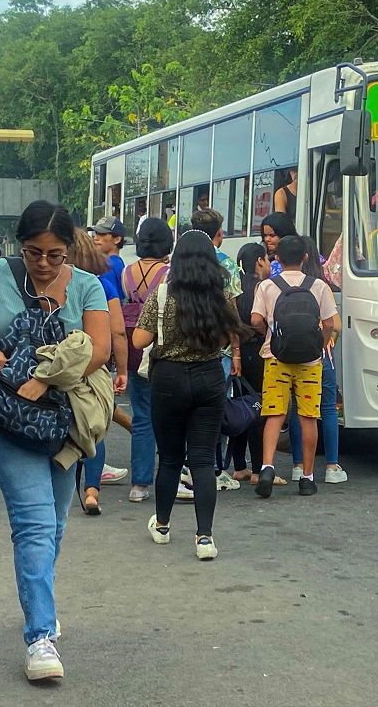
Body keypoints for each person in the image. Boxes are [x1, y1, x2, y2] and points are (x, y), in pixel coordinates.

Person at [0, 201, 110, 682]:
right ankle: (40, 636)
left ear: (69, 250)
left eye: (54, 254)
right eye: (33, 252)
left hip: (65, 425)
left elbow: (100, 349)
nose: (43, 263)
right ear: (18, 246)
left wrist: (45, 377)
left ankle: (39, 600)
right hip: (9, 420)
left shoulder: (86, 286)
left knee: (56, 524)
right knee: (35, 525)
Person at [132, 230, 244, 561]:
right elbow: (230, 334)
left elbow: (139, 340)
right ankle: (205, 537)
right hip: (209, 378)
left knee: (169, 458)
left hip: (168, 379)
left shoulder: (162, 294)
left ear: (177, 259)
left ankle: (163, 525)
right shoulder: (222, 295)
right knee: (203, 460)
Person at [251, 235, 339, 498]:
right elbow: (330, 324)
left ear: (277, 258)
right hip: (310, 361)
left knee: (275, 414)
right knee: (308, 416)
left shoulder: (267, 286)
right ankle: (307, 477)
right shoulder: (319, 286)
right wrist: (320, 345)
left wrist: (269, 333)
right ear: (305, 258)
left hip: (276, 358)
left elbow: (255, 319)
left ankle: (267, 466)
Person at [67, 229, 128, 515]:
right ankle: (92, 490)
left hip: (60, 363)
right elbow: (117, 330)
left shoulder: (55, 282)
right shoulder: (102, 283)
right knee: (94, 427)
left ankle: (62, 484)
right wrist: (122, 370)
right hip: (94, 364)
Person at [189, 208, 243, 491]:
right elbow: (231, 313)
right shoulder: (226, 265)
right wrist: (236, 352)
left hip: (184, 349)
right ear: (219, 234)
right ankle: (213, 466)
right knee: (214, 410)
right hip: (217, 351)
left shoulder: (179, 263)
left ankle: (189, 464)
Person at [120, 218, 173, 503]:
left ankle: (139, 485)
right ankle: (171, 476)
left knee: (141, 417)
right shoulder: (168, 273)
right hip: (158, 348)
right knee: (168, 418)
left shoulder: (127, 272)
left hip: (131, 346)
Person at [225, 243, 286, 488]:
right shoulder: (264, 287)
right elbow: (262, 320)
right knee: (259, 409)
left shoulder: (235, 287)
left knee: (241, 407)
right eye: (267, 260)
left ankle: (239, 466)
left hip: (238, 354)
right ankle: (260, 470)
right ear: (260, 261)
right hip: (259, 350)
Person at [287, 237, 347, 484]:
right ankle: (332, 467)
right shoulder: (321, 285)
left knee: (297, 409)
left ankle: (298, 465)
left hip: (290, 356)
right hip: (320, 356)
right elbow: (337, 326)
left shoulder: (280, 284)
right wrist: (325, 342)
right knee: (327, 409)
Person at [89, 216, 127, 301]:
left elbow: (109, 301)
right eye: (96, 233)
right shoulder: (117, 262)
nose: (96, 238)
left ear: (117, 239)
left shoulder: (107, 266)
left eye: (102, 234)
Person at [260, 211, 298, 275]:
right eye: (265, 235)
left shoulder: (298, 257)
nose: (267, 239)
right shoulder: (263, 258)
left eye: (272, 235)